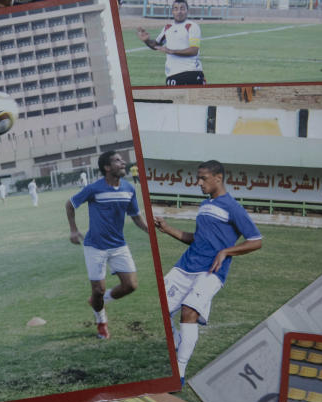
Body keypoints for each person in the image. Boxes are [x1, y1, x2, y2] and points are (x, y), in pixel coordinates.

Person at [154, 160, 262, 383]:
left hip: (211, 272)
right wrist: (167, 229)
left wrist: (225, 252)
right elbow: (197, 238)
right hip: (186, 266)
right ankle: (176, 344)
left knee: (188, 311)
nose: (199, 182)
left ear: (218, 178)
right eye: (198, 178)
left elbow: (256, 241)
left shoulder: (232, 207)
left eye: (203, 178)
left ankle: (179, 373)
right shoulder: (204, 205)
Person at [66, 151, 149, 339]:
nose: (123, 163)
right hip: (95, 247)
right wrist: (73, 229)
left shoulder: (129, 188)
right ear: (107, 168)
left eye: (121, 160)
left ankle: (98, 301)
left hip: (119, 246)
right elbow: (70, 204)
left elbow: (135, 216)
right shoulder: (94, 189)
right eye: (117, 161)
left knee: (131, 285)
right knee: (98, 289)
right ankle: (101, 321)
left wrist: (149, 231)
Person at [135, 0, 205, 86]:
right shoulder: (168, 27)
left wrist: (172, 51)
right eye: (176, 9)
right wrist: (146, 41)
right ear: (172, 11)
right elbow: (156, 45)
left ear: (187, 11)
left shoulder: (192, 26)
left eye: (182, 8)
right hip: (173, 75)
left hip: (191, 72)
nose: (179, 12)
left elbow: (194, 50)